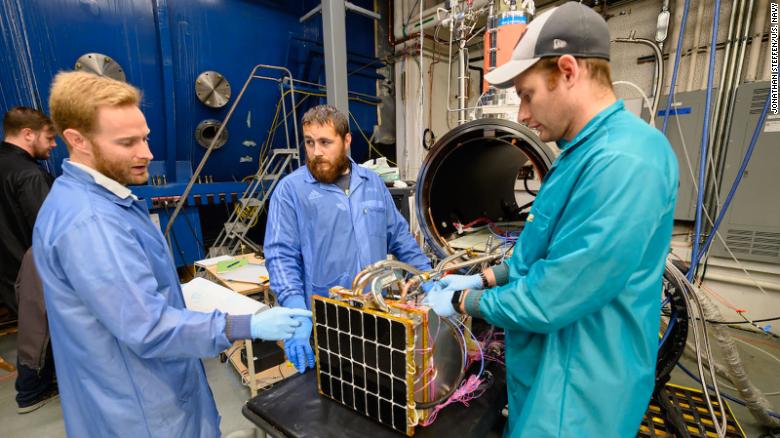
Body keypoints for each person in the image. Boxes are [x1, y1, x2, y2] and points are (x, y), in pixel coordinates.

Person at [423, 3, 679, 437]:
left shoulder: (625, 161)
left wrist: (466, 303)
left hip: (580, 394)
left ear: (567, 70)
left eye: (527, 95)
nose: (521, 115)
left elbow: (553, 295)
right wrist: (487, 277)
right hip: (547, 375)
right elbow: (542, 251)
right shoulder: (578, 154)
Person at [33, 71, 311, 438]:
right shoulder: (91, 222)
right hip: (144, 413)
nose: (146, 153)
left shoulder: (99, 200)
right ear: (76, 140)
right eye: (128, 142)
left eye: (145, 138)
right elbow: (147, 327)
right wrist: (247, 325)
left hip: (142, 395)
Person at [264, 104, 432, 374]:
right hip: (324, 322)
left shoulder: (372, 183)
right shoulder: (290, 191)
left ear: (346, 141)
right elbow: (281, 257)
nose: (316, 152)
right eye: (309, 142)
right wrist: (296, 311)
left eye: (325, 142)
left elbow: (400, 238)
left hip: (377, 314)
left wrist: (428, 278)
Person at [0, 107, 58, 413]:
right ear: (27, 134)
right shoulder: (29, 175)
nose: (53, 145)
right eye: (49, 138)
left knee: (31, 329)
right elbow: (50, 231)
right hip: (32, 269)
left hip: (7, 270)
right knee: (42, 332)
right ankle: (31, 391)